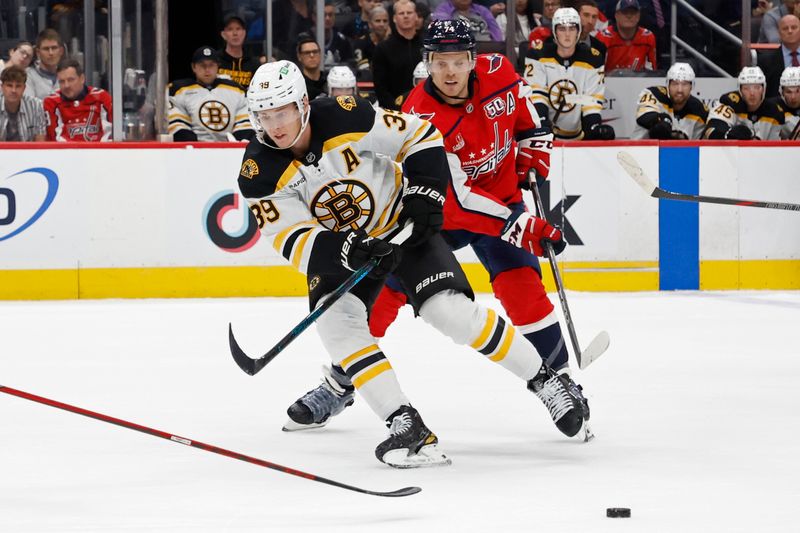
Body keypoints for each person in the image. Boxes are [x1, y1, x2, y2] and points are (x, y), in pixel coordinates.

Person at [240, 58, 590, 466]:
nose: (275, 125)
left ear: (302, 104)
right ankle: (407, 426)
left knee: (451, 313)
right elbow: (290, 237)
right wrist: (344, 250)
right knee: (339, 327)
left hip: (401, 226)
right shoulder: (258, 172)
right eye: (265, 116)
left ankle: (546, 381)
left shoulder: (344, 114)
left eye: (282, 112)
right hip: (346, 254)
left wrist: (425, 193)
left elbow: (420, 136)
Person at [525, 7, 614, 140]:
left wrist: (594, 127)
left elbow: (591, 102)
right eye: (562, 29)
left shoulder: (593, 58)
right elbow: (537, 96)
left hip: (578, 136)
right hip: (545, 137)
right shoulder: (538, 55)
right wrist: (542, 124)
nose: (567, 34)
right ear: (554, 31)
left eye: (572, 29)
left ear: (578, 31)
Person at [167, 46, 253, 142]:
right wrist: (191, 142)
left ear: (218, 67)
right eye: (202, 65)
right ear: (193, 67)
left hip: (230, 148)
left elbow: (245, 121)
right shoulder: (178, 90)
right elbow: (177, 122)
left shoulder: (236, 90)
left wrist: (239, 141)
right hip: (193, 149)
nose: (207, 69)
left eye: (211, 65)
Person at [703, 66, 786, 140]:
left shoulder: (775, 112)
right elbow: (711, 130)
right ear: (740, 90)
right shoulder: (730, 102)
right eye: (746, 88)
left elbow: (775, 148)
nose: (752, 93)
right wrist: (728, 135)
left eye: (757, 87)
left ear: (764, 89)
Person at [631, 62, 708, 140]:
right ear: (668, 85)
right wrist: (664, 120)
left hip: (680, 152)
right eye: (675, 84)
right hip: (640, 150)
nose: (679, 90)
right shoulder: (654, 94)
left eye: (684, 84)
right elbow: (643, 118)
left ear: (691, 86)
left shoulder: (700, 110)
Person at [43, 58, 111, 142]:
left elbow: (110, 134)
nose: (66, 85)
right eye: (62, 81)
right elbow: (54, 140)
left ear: (82, 78)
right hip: (66, 153)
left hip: (99, 153)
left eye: (70, 80)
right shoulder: (51, 102)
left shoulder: (101, 97)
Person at [371, 0, 422, 109]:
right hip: (395, 111)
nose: (406, 16)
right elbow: (380, 88)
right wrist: (397, 109)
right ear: (394, 18)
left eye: (409, 13)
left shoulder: (427, 45)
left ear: (416, 16)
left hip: (426, 107)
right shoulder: (383, 48)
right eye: (401, 13)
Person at [596, 0, 657, 73]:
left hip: (639, 81)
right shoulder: (603, 37)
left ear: (638, 16)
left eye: (633, 13)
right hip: (608, 82)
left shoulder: (647, 37)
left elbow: (652, 72)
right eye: (625, 12)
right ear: (616, 15)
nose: (629, 16)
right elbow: (597, 71)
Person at [0, 66, 46, 142]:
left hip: (29, 152)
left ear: (24, 88)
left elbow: (40, 142)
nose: (13, 90)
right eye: (9, 85)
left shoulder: (36, 105)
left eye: (18, 86)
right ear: (2, 87)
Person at [759, 14, 800, 98]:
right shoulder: (765, 61)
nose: (790, 31)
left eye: (794, 27)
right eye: (785, 28)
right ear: (779, 33)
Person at [218, 14, 261, 88]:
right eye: (230, 29)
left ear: (244, 33)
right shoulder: (215, 61)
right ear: (223, 34)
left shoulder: (254, 63)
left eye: (238, 29)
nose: (235, 33)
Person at [432, 0, 503, 41]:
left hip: (487, 50)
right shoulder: (442, 10)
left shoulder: (482, 10)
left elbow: (497, 35)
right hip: (459, 52)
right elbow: (445, 35)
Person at [26, 29, 65, 100]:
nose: (51, 53)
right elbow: (30, 107)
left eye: (54, 48)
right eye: (46, 49)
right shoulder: (28, 75)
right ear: (38, 52)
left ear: (61, 51)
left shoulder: (68, 74)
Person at [352, 5, 391, 75]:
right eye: (378, 21)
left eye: (385, 21)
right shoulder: (361, 43)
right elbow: (362, 71)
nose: (382, 24)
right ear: (370, 24)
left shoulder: (393, 43)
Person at [319, 2, 354, 68]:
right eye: (324, 15)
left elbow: (349, 64)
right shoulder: (307, 38)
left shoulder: (342, 40)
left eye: (330, 15)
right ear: (314, 17)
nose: (327, 18)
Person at [296, 35, 327, 100]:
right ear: (299, 56)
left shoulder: (329, 80)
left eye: (315, 52)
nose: (312, 55)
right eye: (307, 53)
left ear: (320, 54)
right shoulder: (297, 84)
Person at [774, 66, 800, 138]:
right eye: (788, 92)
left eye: (797, 91)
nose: (793, 97)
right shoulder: (772, 108)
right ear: (781, 92)